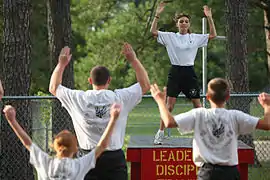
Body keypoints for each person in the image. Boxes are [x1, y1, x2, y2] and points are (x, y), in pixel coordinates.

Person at [49, 43, 150, 180]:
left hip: (87, 158)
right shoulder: (120, 97)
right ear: (109, 80)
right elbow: (145, 85)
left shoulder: (79, 98)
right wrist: (133, 60)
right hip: (114, 159)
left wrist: (61, 64)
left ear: (90, 80)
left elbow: (54, 87)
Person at [150, 78, 270, 180]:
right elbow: (266, 124)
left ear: (207, 97)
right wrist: (267, 106)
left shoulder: (199, 115)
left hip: (208, 173)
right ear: (227, 97)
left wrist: (160, 101)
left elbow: (168, 122)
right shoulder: (235, 116)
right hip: (231, 173)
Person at [150, 1, 217, 144]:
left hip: (189, 73)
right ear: (177, 24)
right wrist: (157, 14)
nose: (184, 23)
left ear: (189, 25)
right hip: (175, 72)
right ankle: (160, 132)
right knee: (169, 106)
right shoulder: (170, 37)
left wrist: (209, 17)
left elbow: (213, 35)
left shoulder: (194, 38)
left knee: (198, 106)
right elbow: (153, 32)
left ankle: (204, 134)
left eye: (186, 21)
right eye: (181, 21)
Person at [3, 103, 121, 180]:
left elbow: (27, 142)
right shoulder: (79, 165)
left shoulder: (45, 163)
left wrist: (12, 120)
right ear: (75, 149)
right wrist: (113, 118)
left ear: (54, 146)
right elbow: (102, 145)